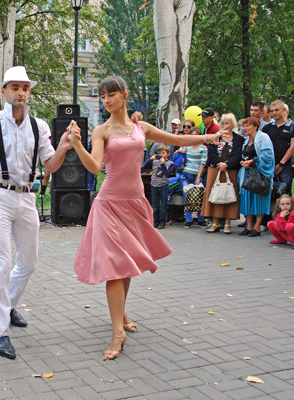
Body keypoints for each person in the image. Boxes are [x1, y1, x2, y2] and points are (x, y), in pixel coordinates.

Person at [68, 76, 222, 361]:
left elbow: (175, 139)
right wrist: (77, 144)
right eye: (103, 96)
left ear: (124, 95)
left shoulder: (141, 127)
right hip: (109, 203)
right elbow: (94, 167)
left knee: (126, 265)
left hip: (136, 202)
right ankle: (117, 333)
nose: (106, 100)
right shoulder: (101, 131)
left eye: (111, 94)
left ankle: (121, 312)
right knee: (115, 266)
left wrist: (208, 138)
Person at [0, 66, 74, 360]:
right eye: (15, 87)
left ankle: (6, 308)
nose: (21, 92)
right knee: (1, 265)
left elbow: (51, 166)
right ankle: (0, 332)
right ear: (4, 92)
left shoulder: (39, 126)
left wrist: (63, 147)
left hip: (27, 198)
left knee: (29, 263)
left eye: (25, 87)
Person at [201, 113, 244, 234]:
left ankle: (227, 223)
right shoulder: (216, 137)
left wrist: (227, 164)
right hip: (215, 169)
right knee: (215, 194)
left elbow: (238, 154)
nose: (225, 125)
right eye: (223, 123)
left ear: (232, 124)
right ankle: (215, 223)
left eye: (227, 123)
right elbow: (211, 154)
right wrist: (221, 164)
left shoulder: (239, 139)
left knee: (229, 195)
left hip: (231, 170)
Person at [238, 117, 274, 237]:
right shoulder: (245, 140)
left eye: (248, 125)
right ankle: (248, 226)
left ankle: (257, 226)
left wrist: (253, 161)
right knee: (247, 199)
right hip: (247, 173)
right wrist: (243, 162)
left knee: (259, 198)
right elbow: (243, 155)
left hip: (260, 173)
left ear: (256, 126)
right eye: (244, 126)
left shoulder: (263, 137)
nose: (245, 128)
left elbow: (268, 154)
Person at [174, 126, 208, 228]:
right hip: (185, 174)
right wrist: (180, 151)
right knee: (187, 197)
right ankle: (188, 220)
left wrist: (199, 176)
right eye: (192, 135)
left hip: (196, 175)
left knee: (198, 197)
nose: (193, 137)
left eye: (195, 135)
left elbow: (203, 163)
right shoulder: (187, 147)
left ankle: (200, 219)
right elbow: (175, 154)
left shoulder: (203, 148)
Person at [262, 101, 294, 198]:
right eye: (272, 111)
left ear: (284, 110)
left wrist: (281, 163)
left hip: (285, 166)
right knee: (268, 193)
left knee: (284, 194)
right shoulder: (267, 127)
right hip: (268, 165)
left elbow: (293, 147)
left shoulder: (292, 126)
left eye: (277, 110)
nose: (274, 113)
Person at [142, 145, 174, 229]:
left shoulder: (170, 163)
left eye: (163, 153)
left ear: (168, 154)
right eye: (159, 153)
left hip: (163, 185)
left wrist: (163, 164)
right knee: (155, 205)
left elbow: (167, 174)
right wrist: (151, 159)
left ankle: (162, 222)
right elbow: (144, 167)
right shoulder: (155, 162)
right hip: (154, 185)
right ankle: (155, 221)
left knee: (163, 204)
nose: (161, 155)